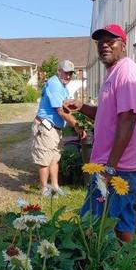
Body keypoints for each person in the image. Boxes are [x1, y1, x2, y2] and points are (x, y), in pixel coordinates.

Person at [63, 24, 136, 243]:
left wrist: (110, 168)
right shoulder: (114, 73)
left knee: (93, 222)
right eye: (100, 42)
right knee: (121, 219)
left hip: (122, 167)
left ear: (123, 45)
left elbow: (128, 120)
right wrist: (82, 107)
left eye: (111, 41)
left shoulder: (128, 73)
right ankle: (127, 268)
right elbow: (109, 115)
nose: (104, 45)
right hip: (120, 166)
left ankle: (98, 268)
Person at [32, 60, 86, 196]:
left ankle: (55, 186)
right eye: (65, 72)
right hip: (45, 126)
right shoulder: (54, 84)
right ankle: (45, 188)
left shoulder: (63, 86)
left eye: (70, 74)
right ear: (58, 71)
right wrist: (77, 126)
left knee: (55, 158)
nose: (68, 76)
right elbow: (61, 111)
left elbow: (66, 107)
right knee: (45, 158)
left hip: (56, 128)